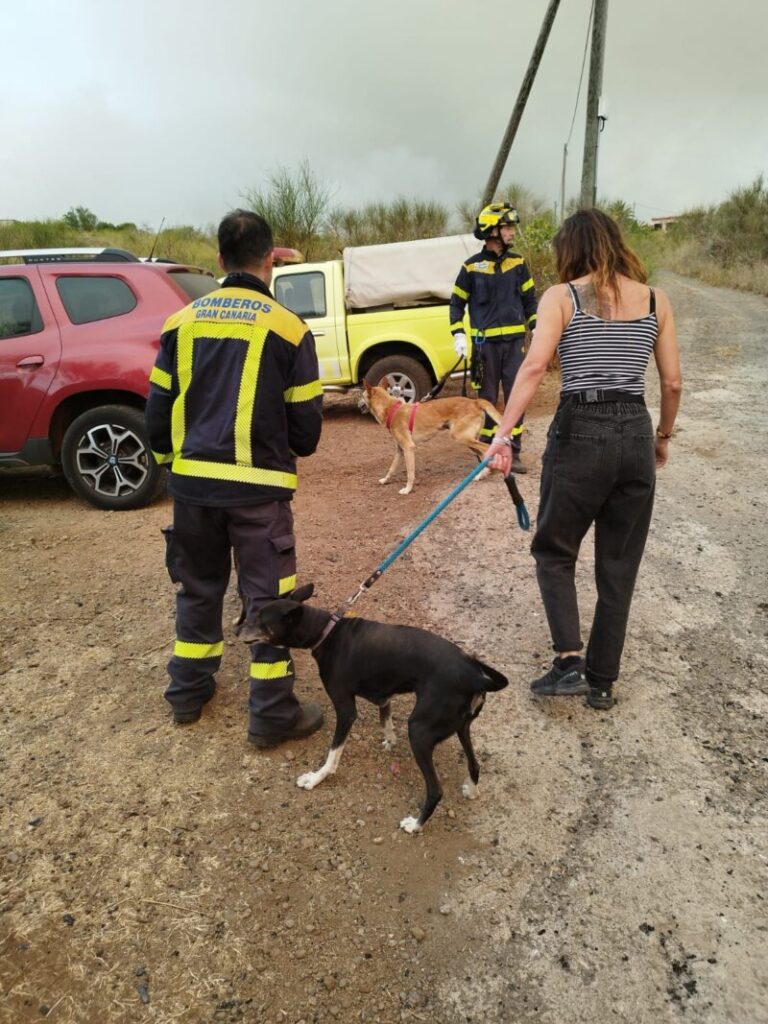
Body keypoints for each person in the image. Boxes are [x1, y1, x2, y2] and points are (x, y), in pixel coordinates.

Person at [485, 208, 682, 710]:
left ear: (569, 250)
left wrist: (502, 437)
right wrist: (661, 437)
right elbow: (674, 382)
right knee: (619, 564)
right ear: (617, 244)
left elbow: (532, 367)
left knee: (555, 550)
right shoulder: (656, 300)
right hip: (636, 430)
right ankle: (601, 682)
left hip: (581, 429)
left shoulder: (563, 296)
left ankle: (569, 662)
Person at [145, 209, 325, 746]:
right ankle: (271, 714)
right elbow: (307, 435)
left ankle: (187, 694)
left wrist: (176, 465)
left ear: (219, 261)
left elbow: (156, 417)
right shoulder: (289, 330)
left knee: (197, 590)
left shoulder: (181, 323)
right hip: (259, 493)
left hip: (193, 490)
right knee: (268, 601)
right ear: (271, 260)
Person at [449, 202, 538, 473]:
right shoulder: (471, 268)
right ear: (492, 231)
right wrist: (458, 334)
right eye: (507, 227)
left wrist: (536, 326)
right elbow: (456, 304)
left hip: (513, 346)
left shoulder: (519, 263)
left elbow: (530, 301)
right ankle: (486, 454)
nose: (512, 232)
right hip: (483, 348)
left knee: (515, 397)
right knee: (485, 400)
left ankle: (515, 451)